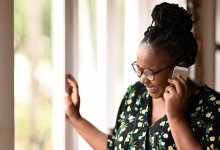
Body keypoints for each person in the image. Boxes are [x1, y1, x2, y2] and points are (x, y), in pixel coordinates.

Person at [64, 2, 220, 150]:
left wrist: (176, 118)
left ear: (181, 67)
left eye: (150, 72)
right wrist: (75, 117)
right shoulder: (135, 95)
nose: (142, 79)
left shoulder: (212, 108)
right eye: (139, 69)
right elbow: (116, 147)